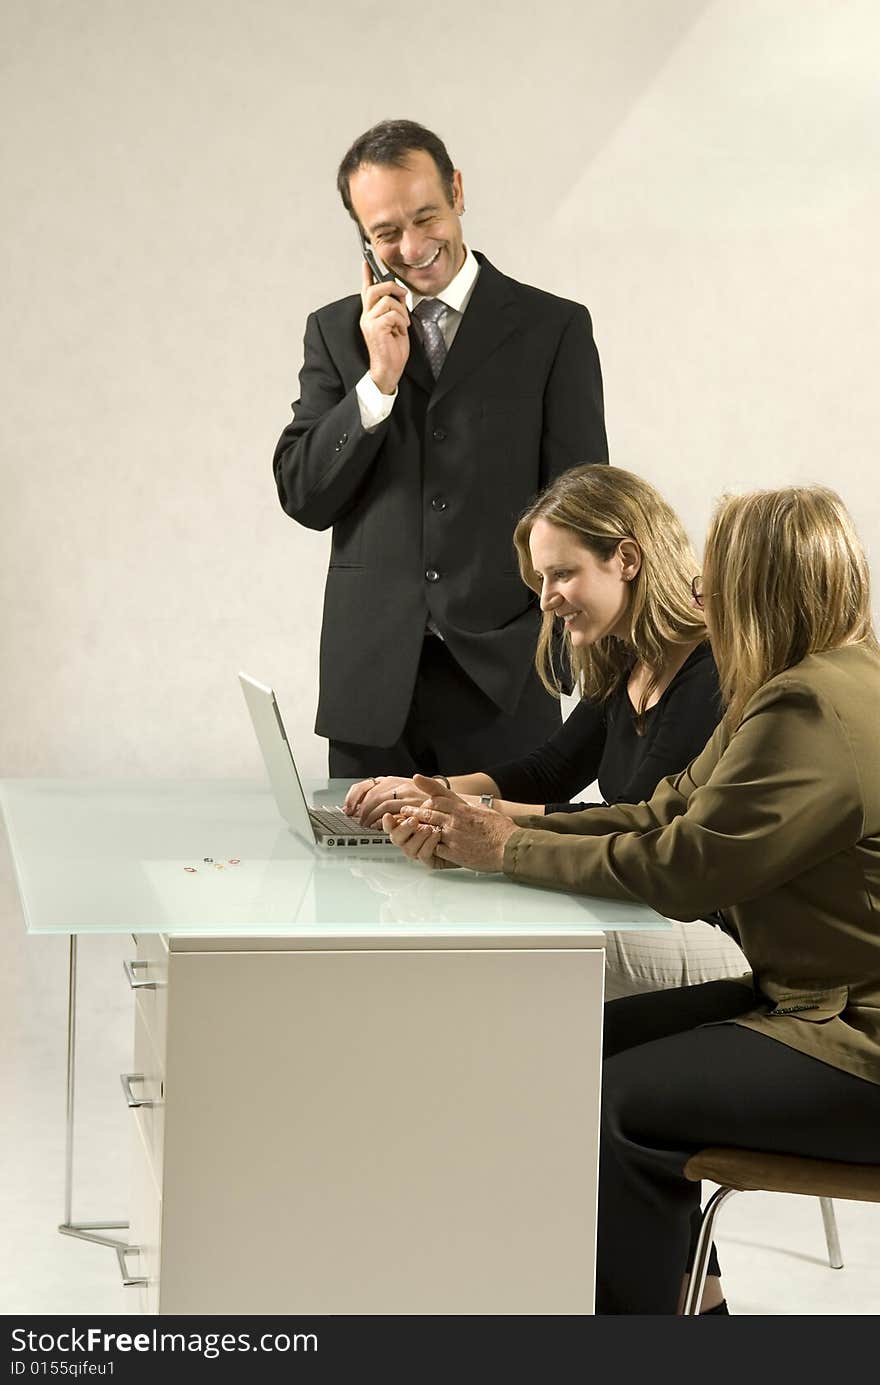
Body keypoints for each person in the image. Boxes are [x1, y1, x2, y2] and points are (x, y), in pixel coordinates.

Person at [387, 485, 880, 1314]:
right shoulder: (798, 686)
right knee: (569, 1051)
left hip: (855, 1037)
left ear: (758, 588)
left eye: (712, 582)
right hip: (813, 1004)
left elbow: (683, 868)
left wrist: (504, 847)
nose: (698, 598)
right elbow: (663, 809)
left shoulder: (807, 709)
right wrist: (487, 827)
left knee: (611, 1099)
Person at [272, 119, 608, 779]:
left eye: (426, 216)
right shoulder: (337, 334)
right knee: (360, 878)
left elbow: (586, 507)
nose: (413, 246)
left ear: (457, 190)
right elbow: (303, 494)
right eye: (386, 233)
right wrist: (377, 383)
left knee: (506, 875)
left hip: (506, 681)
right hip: (370, 690)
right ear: (364, 240)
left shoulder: (553, 328)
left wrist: (565, 654)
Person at [343, 465, 749, 997]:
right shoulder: (630, 665)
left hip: (709, 932)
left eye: (561, 574)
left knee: (495, 927)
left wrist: (479, 821)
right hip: (641, 909)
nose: (545, 601)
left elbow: (632, 822)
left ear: (626, 560)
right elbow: (550, 771)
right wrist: (427, 790)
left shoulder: (709, 671)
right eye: (541, 580)